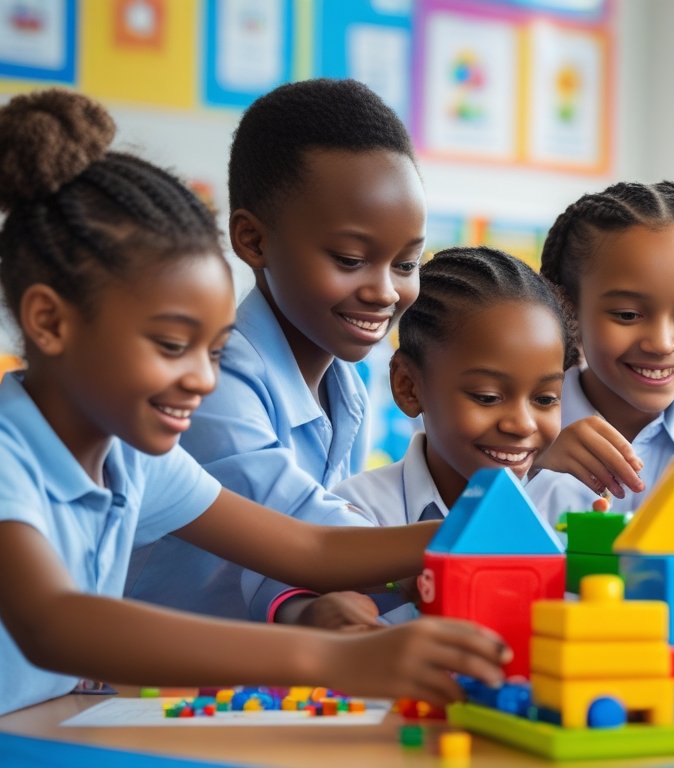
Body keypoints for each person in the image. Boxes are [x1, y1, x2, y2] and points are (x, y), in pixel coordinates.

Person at [0, 90, 507, 717]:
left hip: (51, 722)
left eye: (213, 352)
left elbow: (308, 549)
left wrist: (487, 532)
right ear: (50, 321)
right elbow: (55, 624)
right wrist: (335, 660)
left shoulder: (130, 458)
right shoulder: (8, 455)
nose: (203, 381)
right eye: (170, 345)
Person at [125, 79, 427, 623]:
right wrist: (468, 534)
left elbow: (297, 567)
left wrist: (307, 610)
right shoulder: (213, 385)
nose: (385, 291)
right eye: (349, 258)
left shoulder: (345, 382)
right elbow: (308, 537)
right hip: (135, 682)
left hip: (243, 674)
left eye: (405, 264)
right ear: (253, 240)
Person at [301, 246, 587, 626]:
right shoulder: (356, 516)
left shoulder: (574, 511)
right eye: (487, 397)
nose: (522, 424)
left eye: (545, 398)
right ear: (408, 387)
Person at [525, 180, 674, 521]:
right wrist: (529, 467)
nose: (661, 343)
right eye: (628, 315)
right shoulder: (518, 429)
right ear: (569, 310)